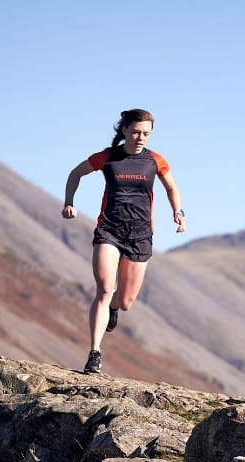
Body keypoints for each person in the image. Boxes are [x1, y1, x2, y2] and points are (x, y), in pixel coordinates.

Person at [62, 108, 185, 374]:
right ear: (125, 130)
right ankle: (94, 353)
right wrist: (69, 202)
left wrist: (178, 212)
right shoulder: (108, 157)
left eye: (147, 134)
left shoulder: (156, 161)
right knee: (105, 290)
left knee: (125, 301)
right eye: (136, 132)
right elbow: (75, 174)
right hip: (109, 230)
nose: (141, 137)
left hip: (140, 234)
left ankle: (115, 308)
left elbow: (172, 187)